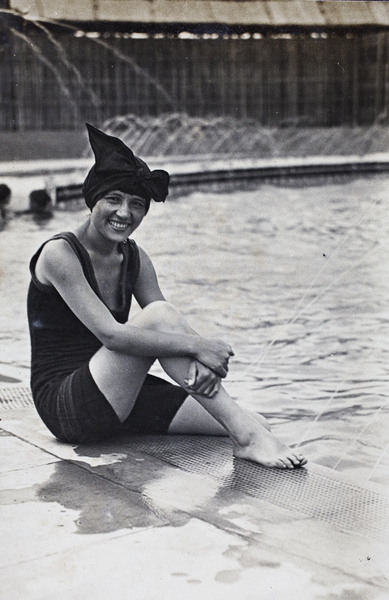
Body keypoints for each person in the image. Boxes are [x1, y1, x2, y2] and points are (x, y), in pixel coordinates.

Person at [27, 123, 307, 470]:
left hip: (117, 393)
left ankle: (250, 434)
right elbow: (112, 335)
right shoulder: (60, 253)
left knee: (255, 418)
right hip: (68, 406)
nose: (124, 213)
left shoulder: (135, 258)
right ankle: (248, 441)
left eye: (136, 204)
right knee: (161, 317)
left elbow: (168, 326)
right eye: (113, 199)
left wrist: (204, 364)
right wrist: (198, 346)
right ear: (92, 200)